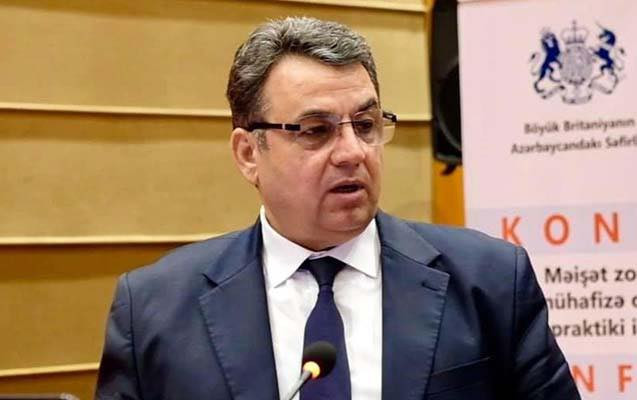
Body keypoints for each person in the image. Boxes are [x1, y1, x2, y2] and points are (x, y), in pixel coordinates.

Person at [95, 17, 581, 400]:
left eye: (366, 125)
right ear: (248, 154)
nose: (352, 152)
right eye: (316, 131)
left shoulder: (491, 281)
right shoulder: (156, 309)